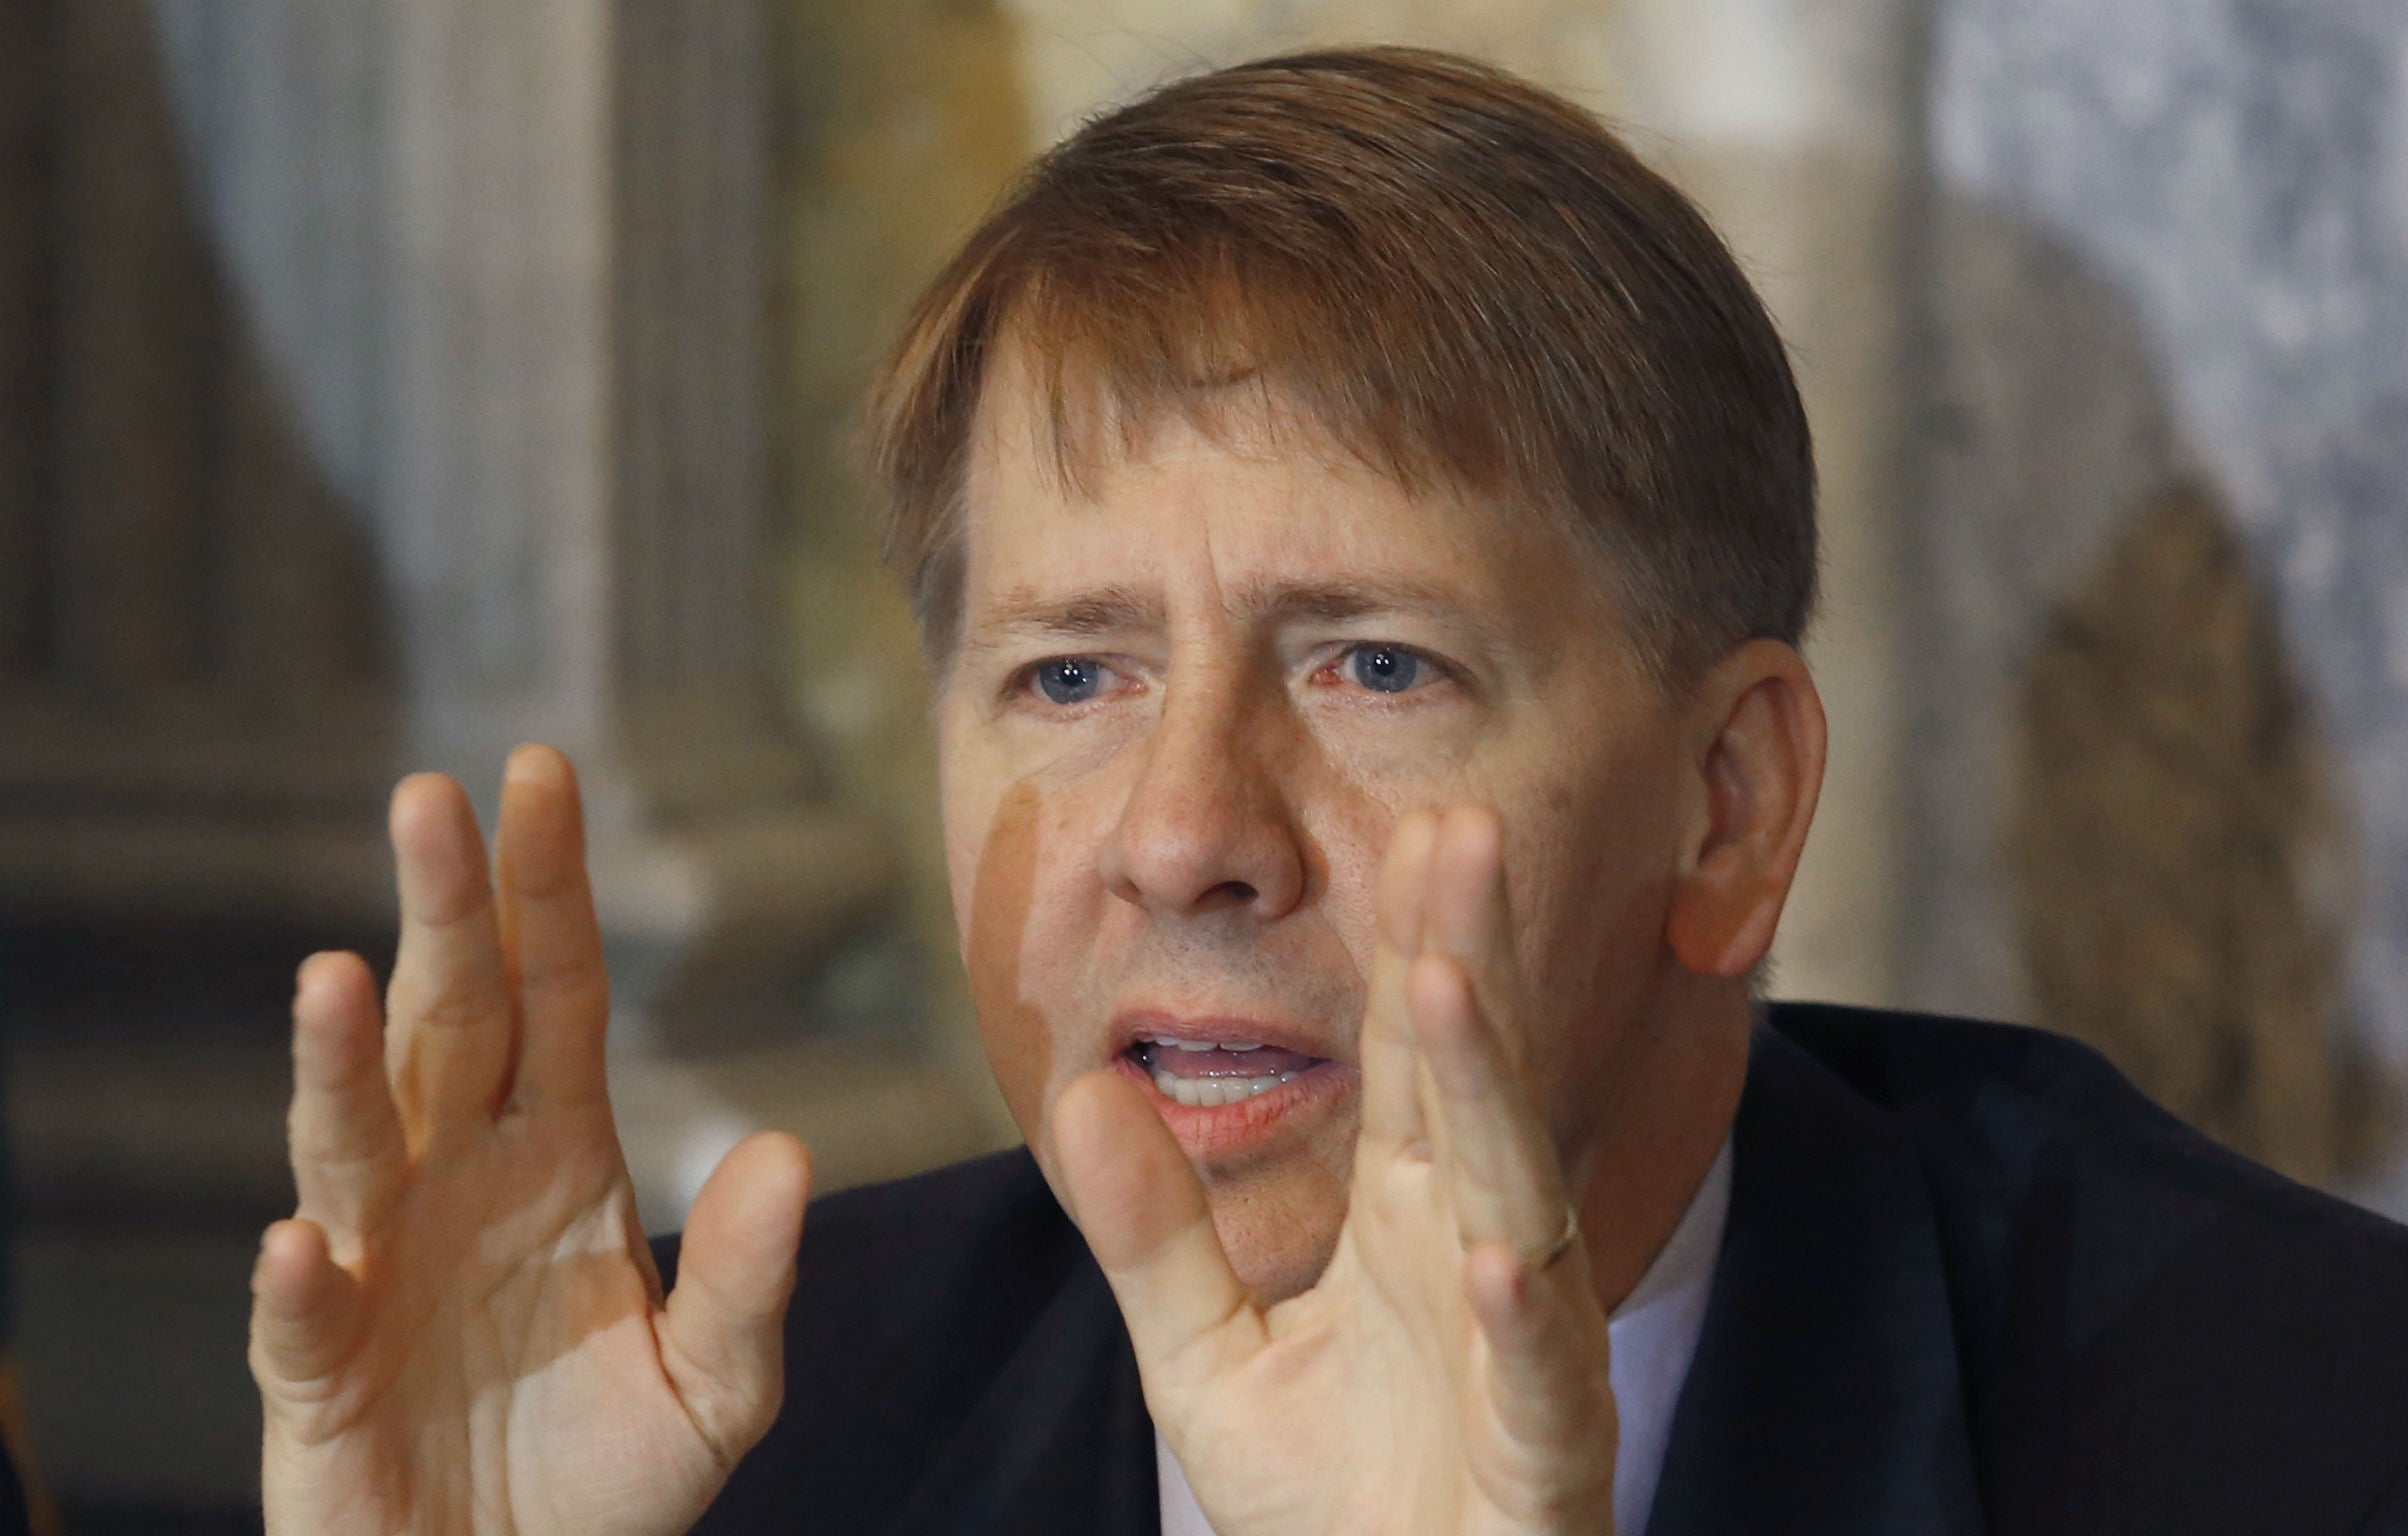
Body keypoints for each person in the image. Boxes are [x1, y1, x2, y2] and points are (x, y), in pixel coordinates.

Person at [246, 47, 2408, 1536]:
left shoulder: (2294, 1429)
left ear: (1728, 803)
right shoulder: (723, 1448)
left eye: (1374, 666)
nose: (1184, 830)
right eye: (1069, 672)